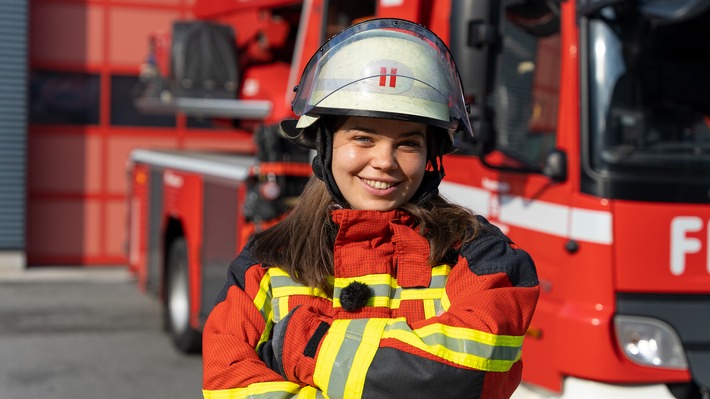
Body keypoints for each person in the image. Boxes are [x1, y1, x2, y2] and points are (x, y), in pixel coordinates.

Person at [202, 18, 539, 399]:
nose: (385, 161)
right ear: (325, 145)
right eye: (363, 137)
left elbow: (464, 374)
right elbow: (227, 381)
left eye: (409, 143)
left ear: (432, 155)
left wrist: (299, 346)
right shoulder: (264, 263)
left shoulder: (482, 256)